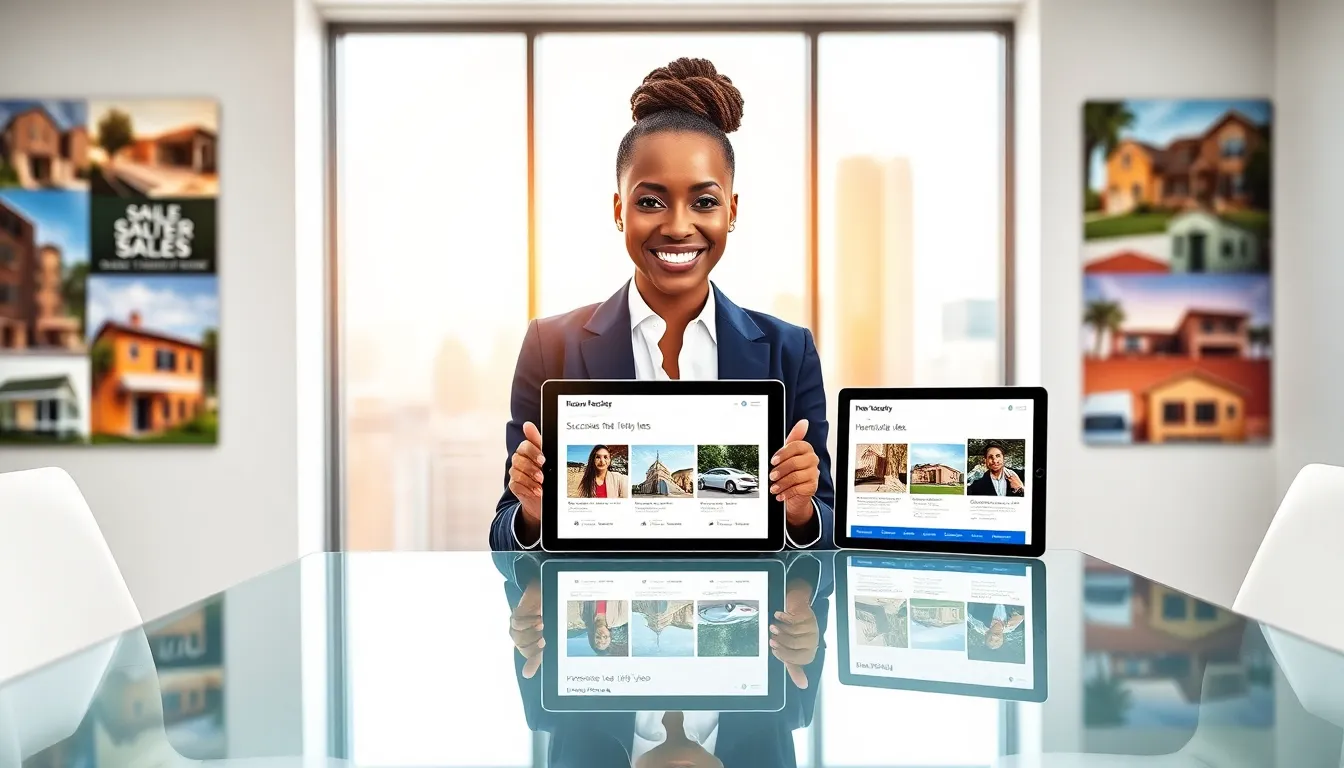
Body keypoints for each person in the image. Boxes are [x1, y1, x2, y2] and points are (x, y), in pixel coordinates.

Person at [491, 56, 835, 551]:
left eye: (705, 201)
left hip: (741, 596)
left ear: (732, 211)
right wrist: (530, 511)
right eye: (650, 202)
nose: (677, 226)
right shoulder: (550, 345)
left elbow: (827, 527)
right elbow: (505, 530)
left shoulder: (790, 351)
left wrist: (801, 511)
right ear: (619, 210)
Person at [500, 551, 829, 767]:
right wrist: (801, 589)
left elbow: (508, 552)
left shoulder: (561, 725)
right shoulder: (782, 717)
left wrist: (535, 581)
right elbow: (827, 560)